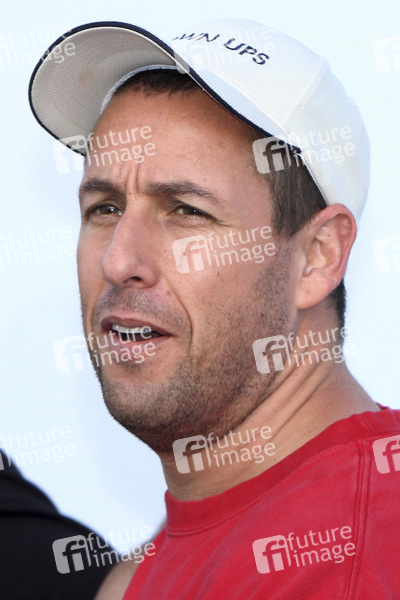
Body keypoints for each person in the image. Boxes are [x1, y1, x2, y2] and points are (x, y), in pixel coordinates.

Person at [29, 17, 400, 598]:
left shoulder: (358, 552)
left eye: (186, 211)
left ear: (317, 257)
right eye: (105, 208)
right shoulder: (157, 564)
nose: (119, 260)